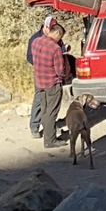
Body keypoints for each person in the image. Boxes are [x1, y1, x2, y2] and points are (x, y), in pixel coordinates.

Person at [25, 13, 71, 144]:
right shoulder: (55, 48)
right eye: (60, 37)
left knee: (43, 108)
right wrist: (64, 77)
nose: (59, 39)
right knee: (51, 111)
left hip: (39, 80)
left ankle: (46, 135)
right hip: (52, 83)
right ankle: (50, 140)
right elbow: (59, 70)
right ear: (56, 33)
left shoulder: (36, 41)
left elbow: (32, 58)